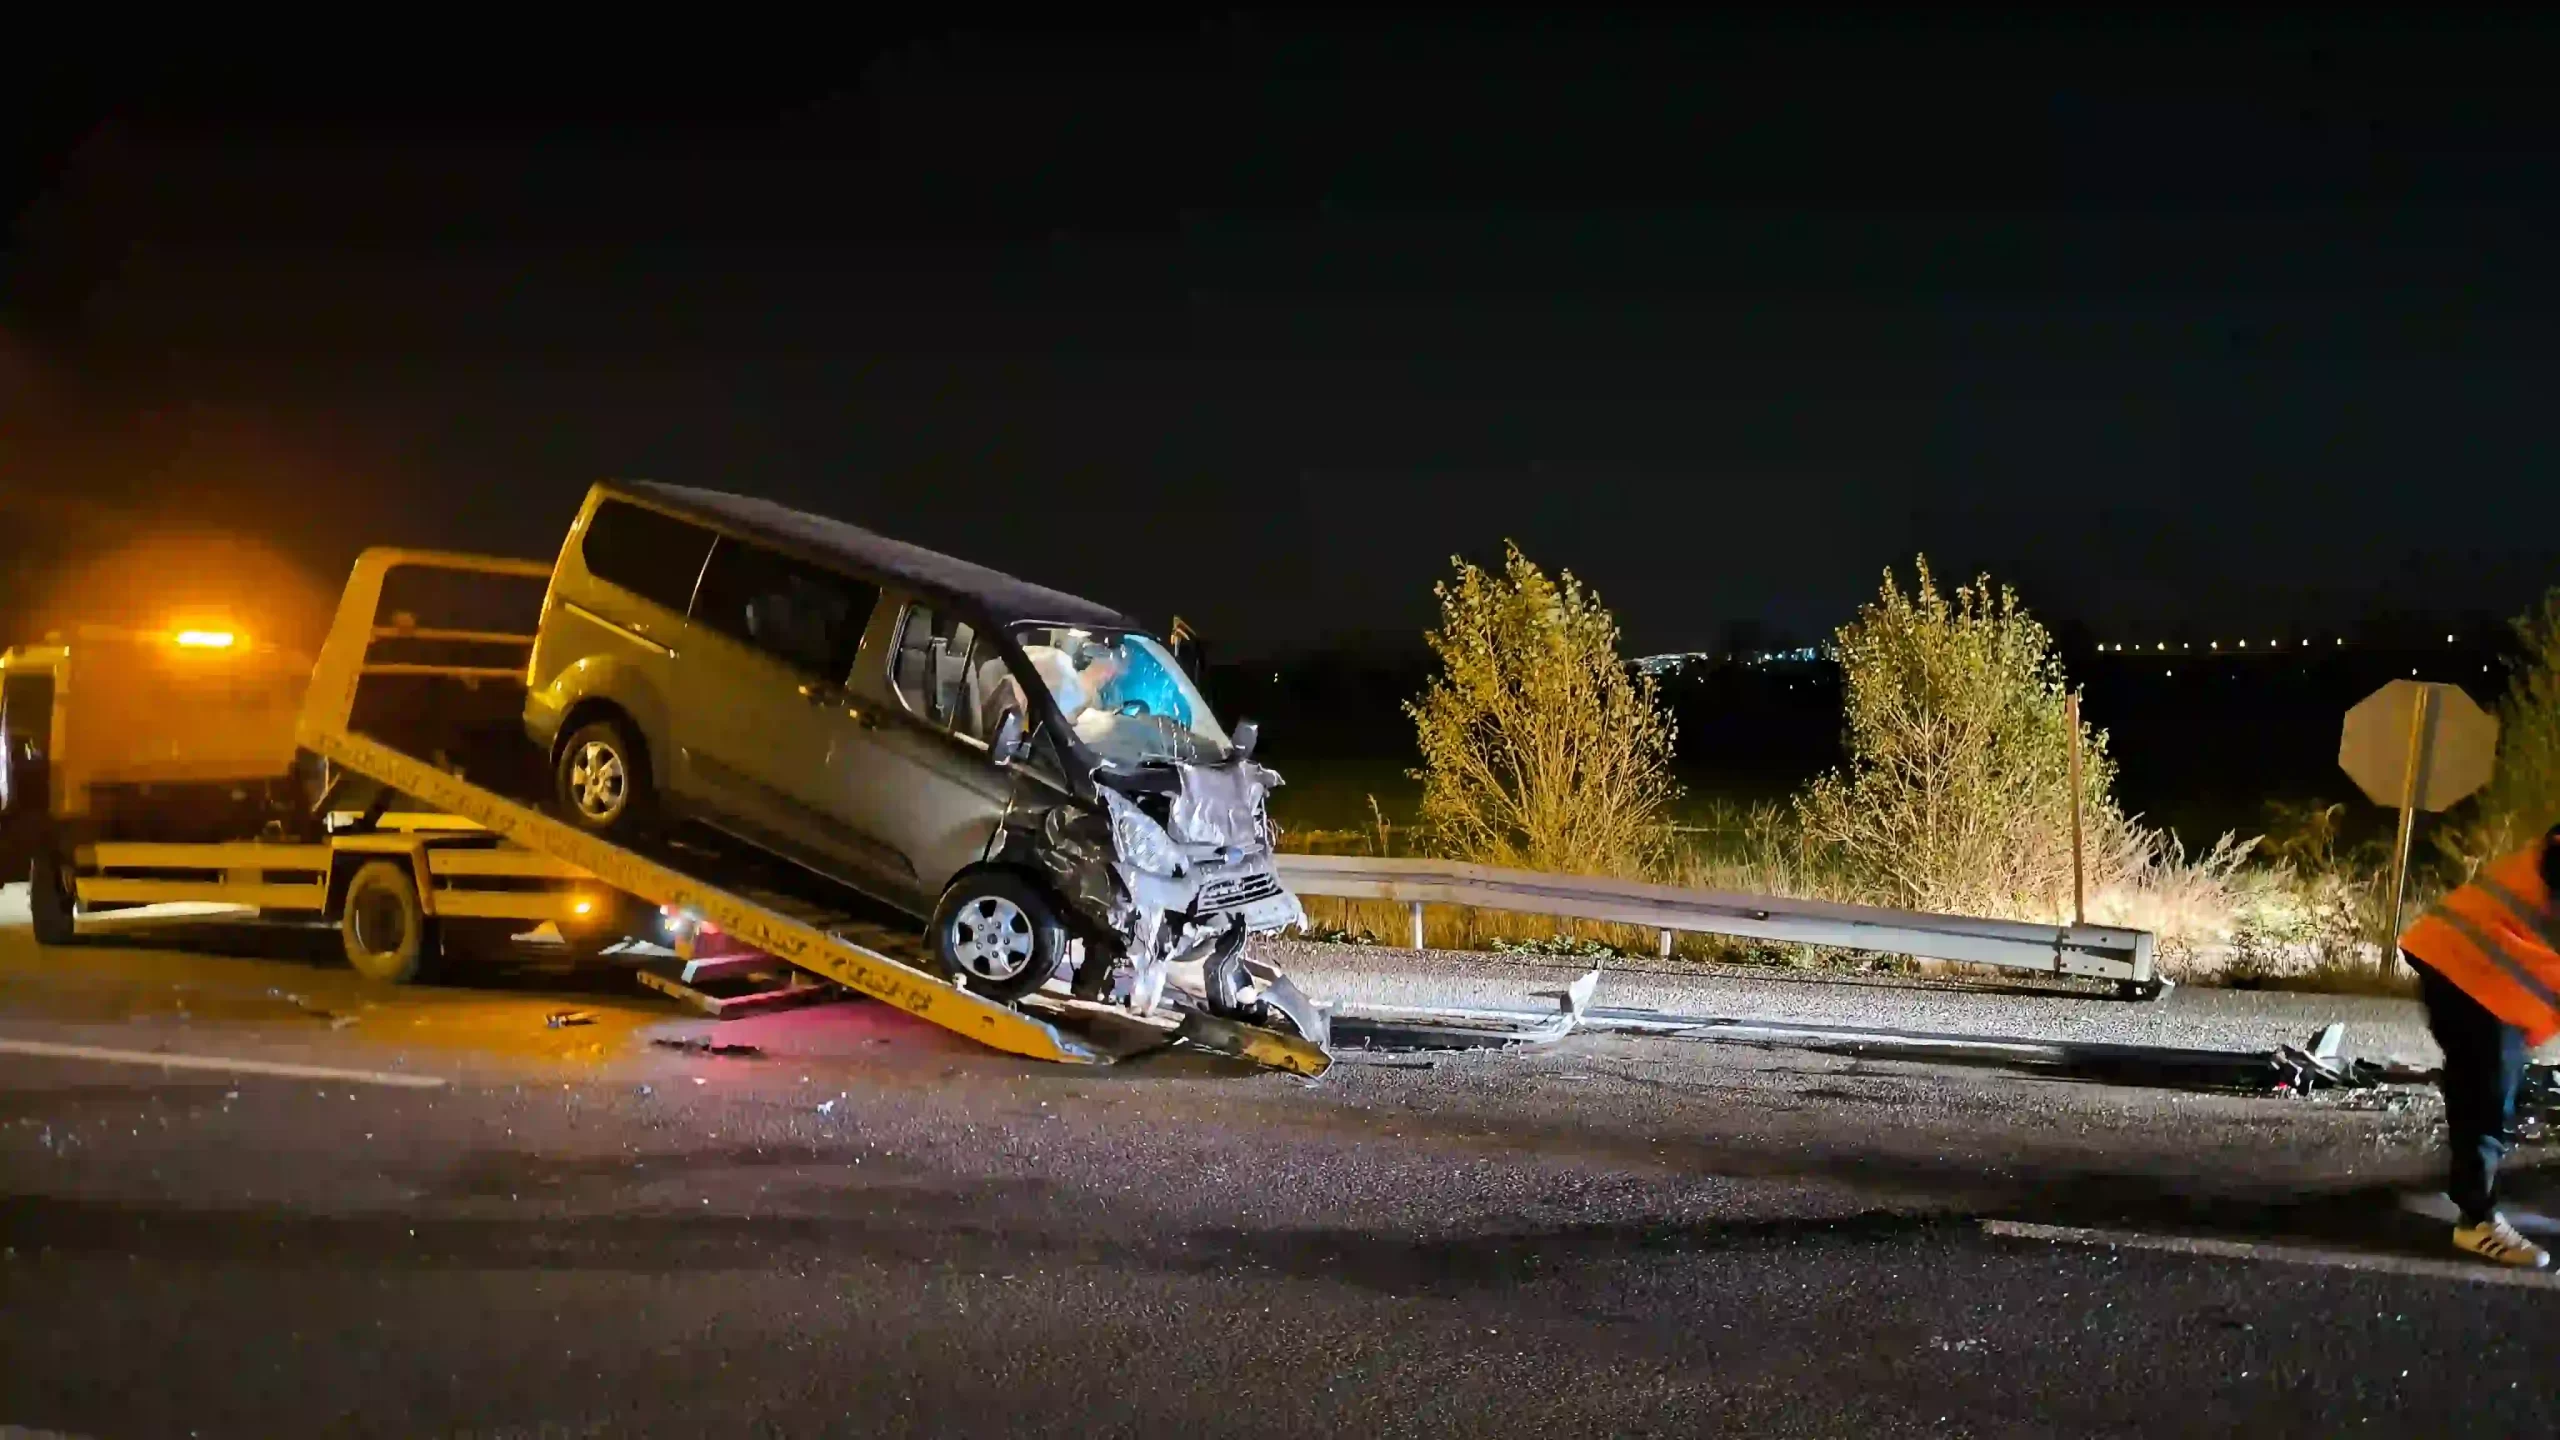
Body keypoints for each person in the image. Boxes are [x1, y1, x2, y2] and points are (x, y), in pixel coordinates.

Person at [2397, 822, 2560, 1268]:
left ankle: (2474, 1197)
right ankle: (2477, 1222)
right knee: (2487, 1097)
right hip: (2472, 970)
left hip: (2480, 975)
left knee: (2490, 1091)